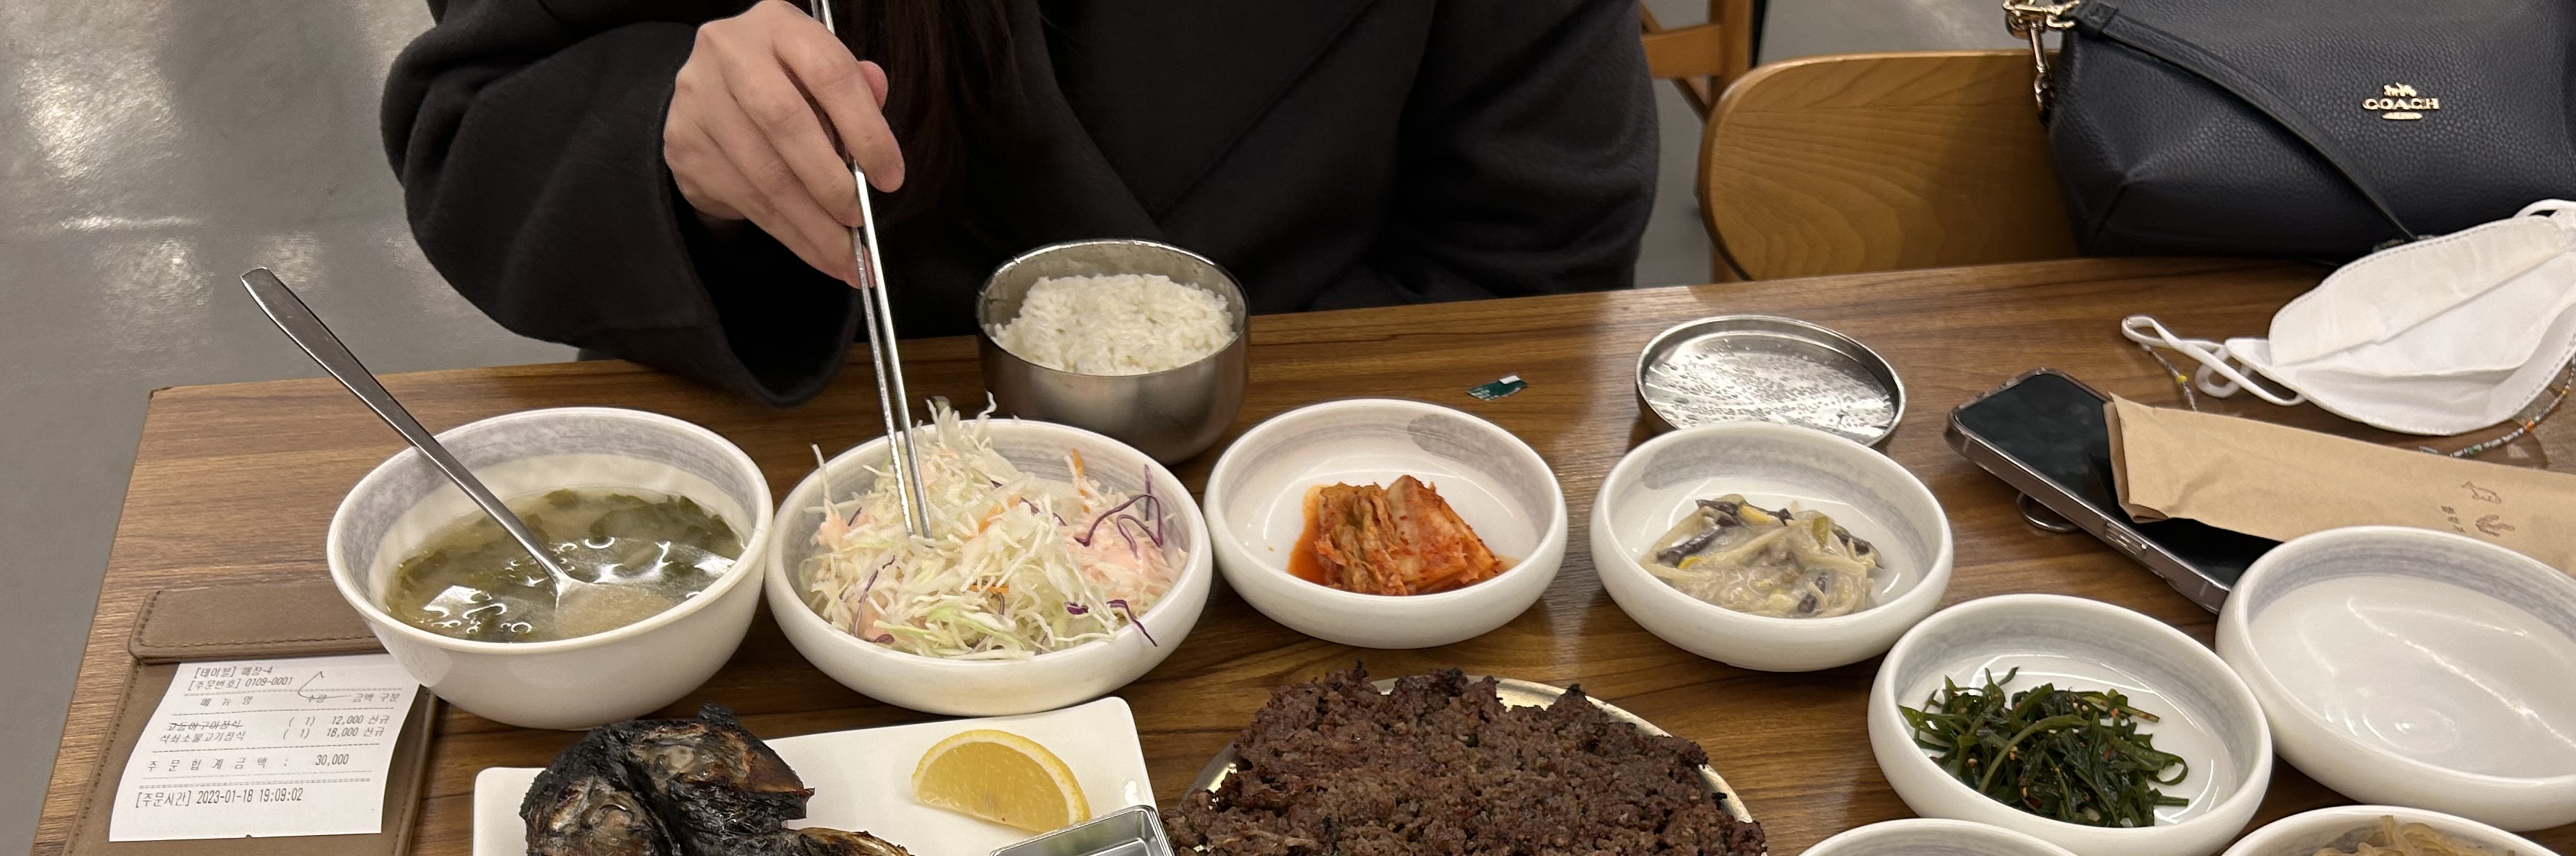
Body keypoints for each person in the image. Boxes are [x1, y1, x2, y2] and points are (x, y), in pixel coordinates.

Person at [384, 1, 1660, 406]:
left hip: (1313, 497)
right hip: (814, 484)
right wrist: (674, 144)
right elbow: (480, 126)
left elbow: (1536, 251)